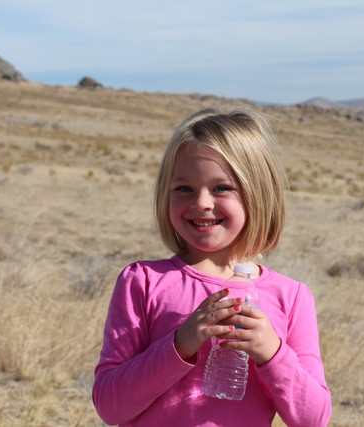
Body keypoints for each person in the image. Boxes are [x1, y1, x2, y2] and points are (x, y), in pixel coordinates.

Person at [92, 107, 331, 426]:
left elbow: (313, 418)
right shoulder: (143, 281)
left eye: (221, 188)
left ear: (256, 195)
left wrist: (272, 352)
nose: (201, 202)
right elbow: (111, 407)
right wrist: (181, 343)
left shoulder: (292, 296)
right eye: (184, 188)